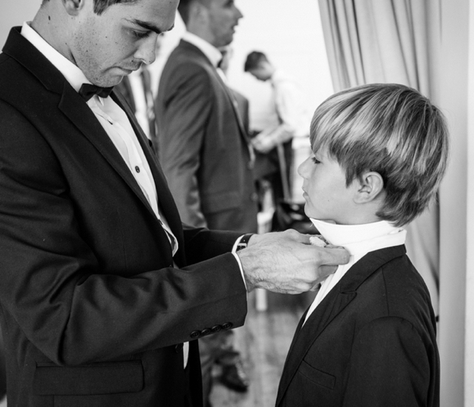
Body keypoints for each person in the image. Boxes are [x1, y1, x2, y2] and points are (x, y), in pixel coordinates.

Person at [0, 1, 350, 406]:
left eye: (160, 36)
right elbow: (62, 316)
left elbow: (147, 236)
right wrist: (245, 274)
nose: (150, 56)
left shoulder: (104, 80)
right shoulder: (9, 108)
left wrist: (247, 248)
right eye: (138, 31)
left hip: (169, 378)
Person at [275, 83, 449, 407]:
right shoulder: (352, 268)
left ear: (366, 186)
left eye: (316, 159)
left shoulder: (386, 322)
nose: (302, 169)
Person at [154, 0, 255, 402]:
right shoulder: (189, 69)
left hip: (222, 235)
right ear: (197, 10)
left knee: (213, 350)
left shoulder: (202, 65)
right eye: (228, 3)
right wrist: (204, 272)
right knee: (202, 359)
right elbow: (179, 172)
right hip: (209, 250)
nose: (239, 14)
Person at [244, 50, 309, 205]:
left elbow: (289, 126)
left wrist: (267, 143)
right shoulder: (279, 86)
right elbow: (278, 122)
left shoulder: (285, 87)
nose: (257, 79)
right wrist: (262, 138)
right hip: (287, 144)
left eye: (255, 75)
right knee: (284, 192)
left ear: (262, 66)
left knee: (289, 194)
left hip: (292, 144)